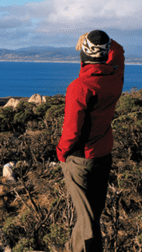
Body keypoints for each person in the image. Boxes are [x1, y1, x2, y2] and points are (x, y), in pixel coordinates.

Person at [54, 30, 124, 252]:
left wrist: (61, 152)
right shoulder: (115, 75)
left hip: (81, 159)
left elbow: (72, 132)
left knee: (87, 220)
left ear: (83, 53)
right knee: (91, 211)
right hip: (103, 154)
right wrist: (102, 40)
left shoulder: (79, 87)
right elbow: (119, 52)